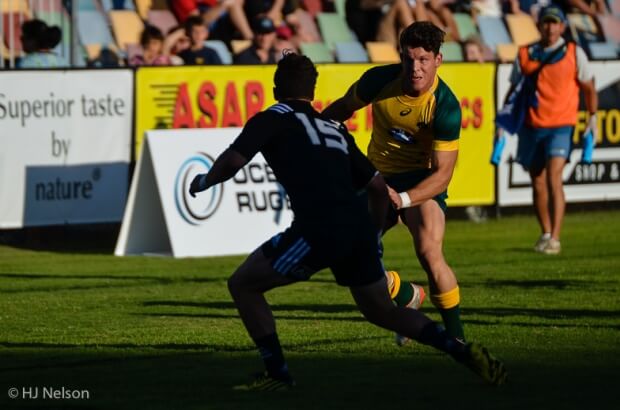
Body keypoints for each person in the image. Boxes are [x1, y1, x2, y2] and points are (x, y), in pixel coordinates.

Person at [188, 51, 507, 390]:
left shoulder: (272, 117)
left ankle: (277, 375)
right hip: (355, 226)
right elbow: (376, 187)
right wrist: (369, 233)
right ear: (312, 92)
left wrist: (206, 181)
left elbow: (233, 162)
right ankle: (456, 348)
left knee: (244, 285)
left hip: (319, 228)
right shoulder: (332, 128)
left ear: (276, 86)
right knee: (382, 312)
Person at [323, 22, 466, 344]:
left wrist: (401, 199)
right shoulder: (379, 79)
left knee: (430, 252)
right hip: (377, 177)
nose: (415, 68)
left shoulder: (445, 106)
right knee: (345, 251)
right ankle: (405, 295)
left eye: (423, 60)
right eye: (408, 59)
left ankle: (457, 341)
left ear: (438, 60)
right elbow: (342, 110)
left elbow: (443, 174)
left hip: (421, 181)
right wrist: (313, 131)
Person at [501, 5, 598, 254]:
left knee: (555, 177)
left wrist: (592, 117)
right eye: (546, 22)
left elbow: (588, 87)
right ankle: (545, 232)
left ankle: (555, 237)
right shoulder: (525, 54)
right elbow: (513, 91)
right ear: (540, 25)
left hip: (561, 125)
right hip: (532, 125)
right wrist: (503, 124)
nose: (550, 27)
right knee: (537, 181)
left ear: (563, 26)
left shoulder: (574, 52)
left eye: (555, 22)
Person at [170, 0, 254, 40]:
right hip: (193, 32)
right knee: (230, 3)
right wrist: (224, 5)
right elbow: (195, 23)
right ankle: (250, 39)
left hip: (219, 26)